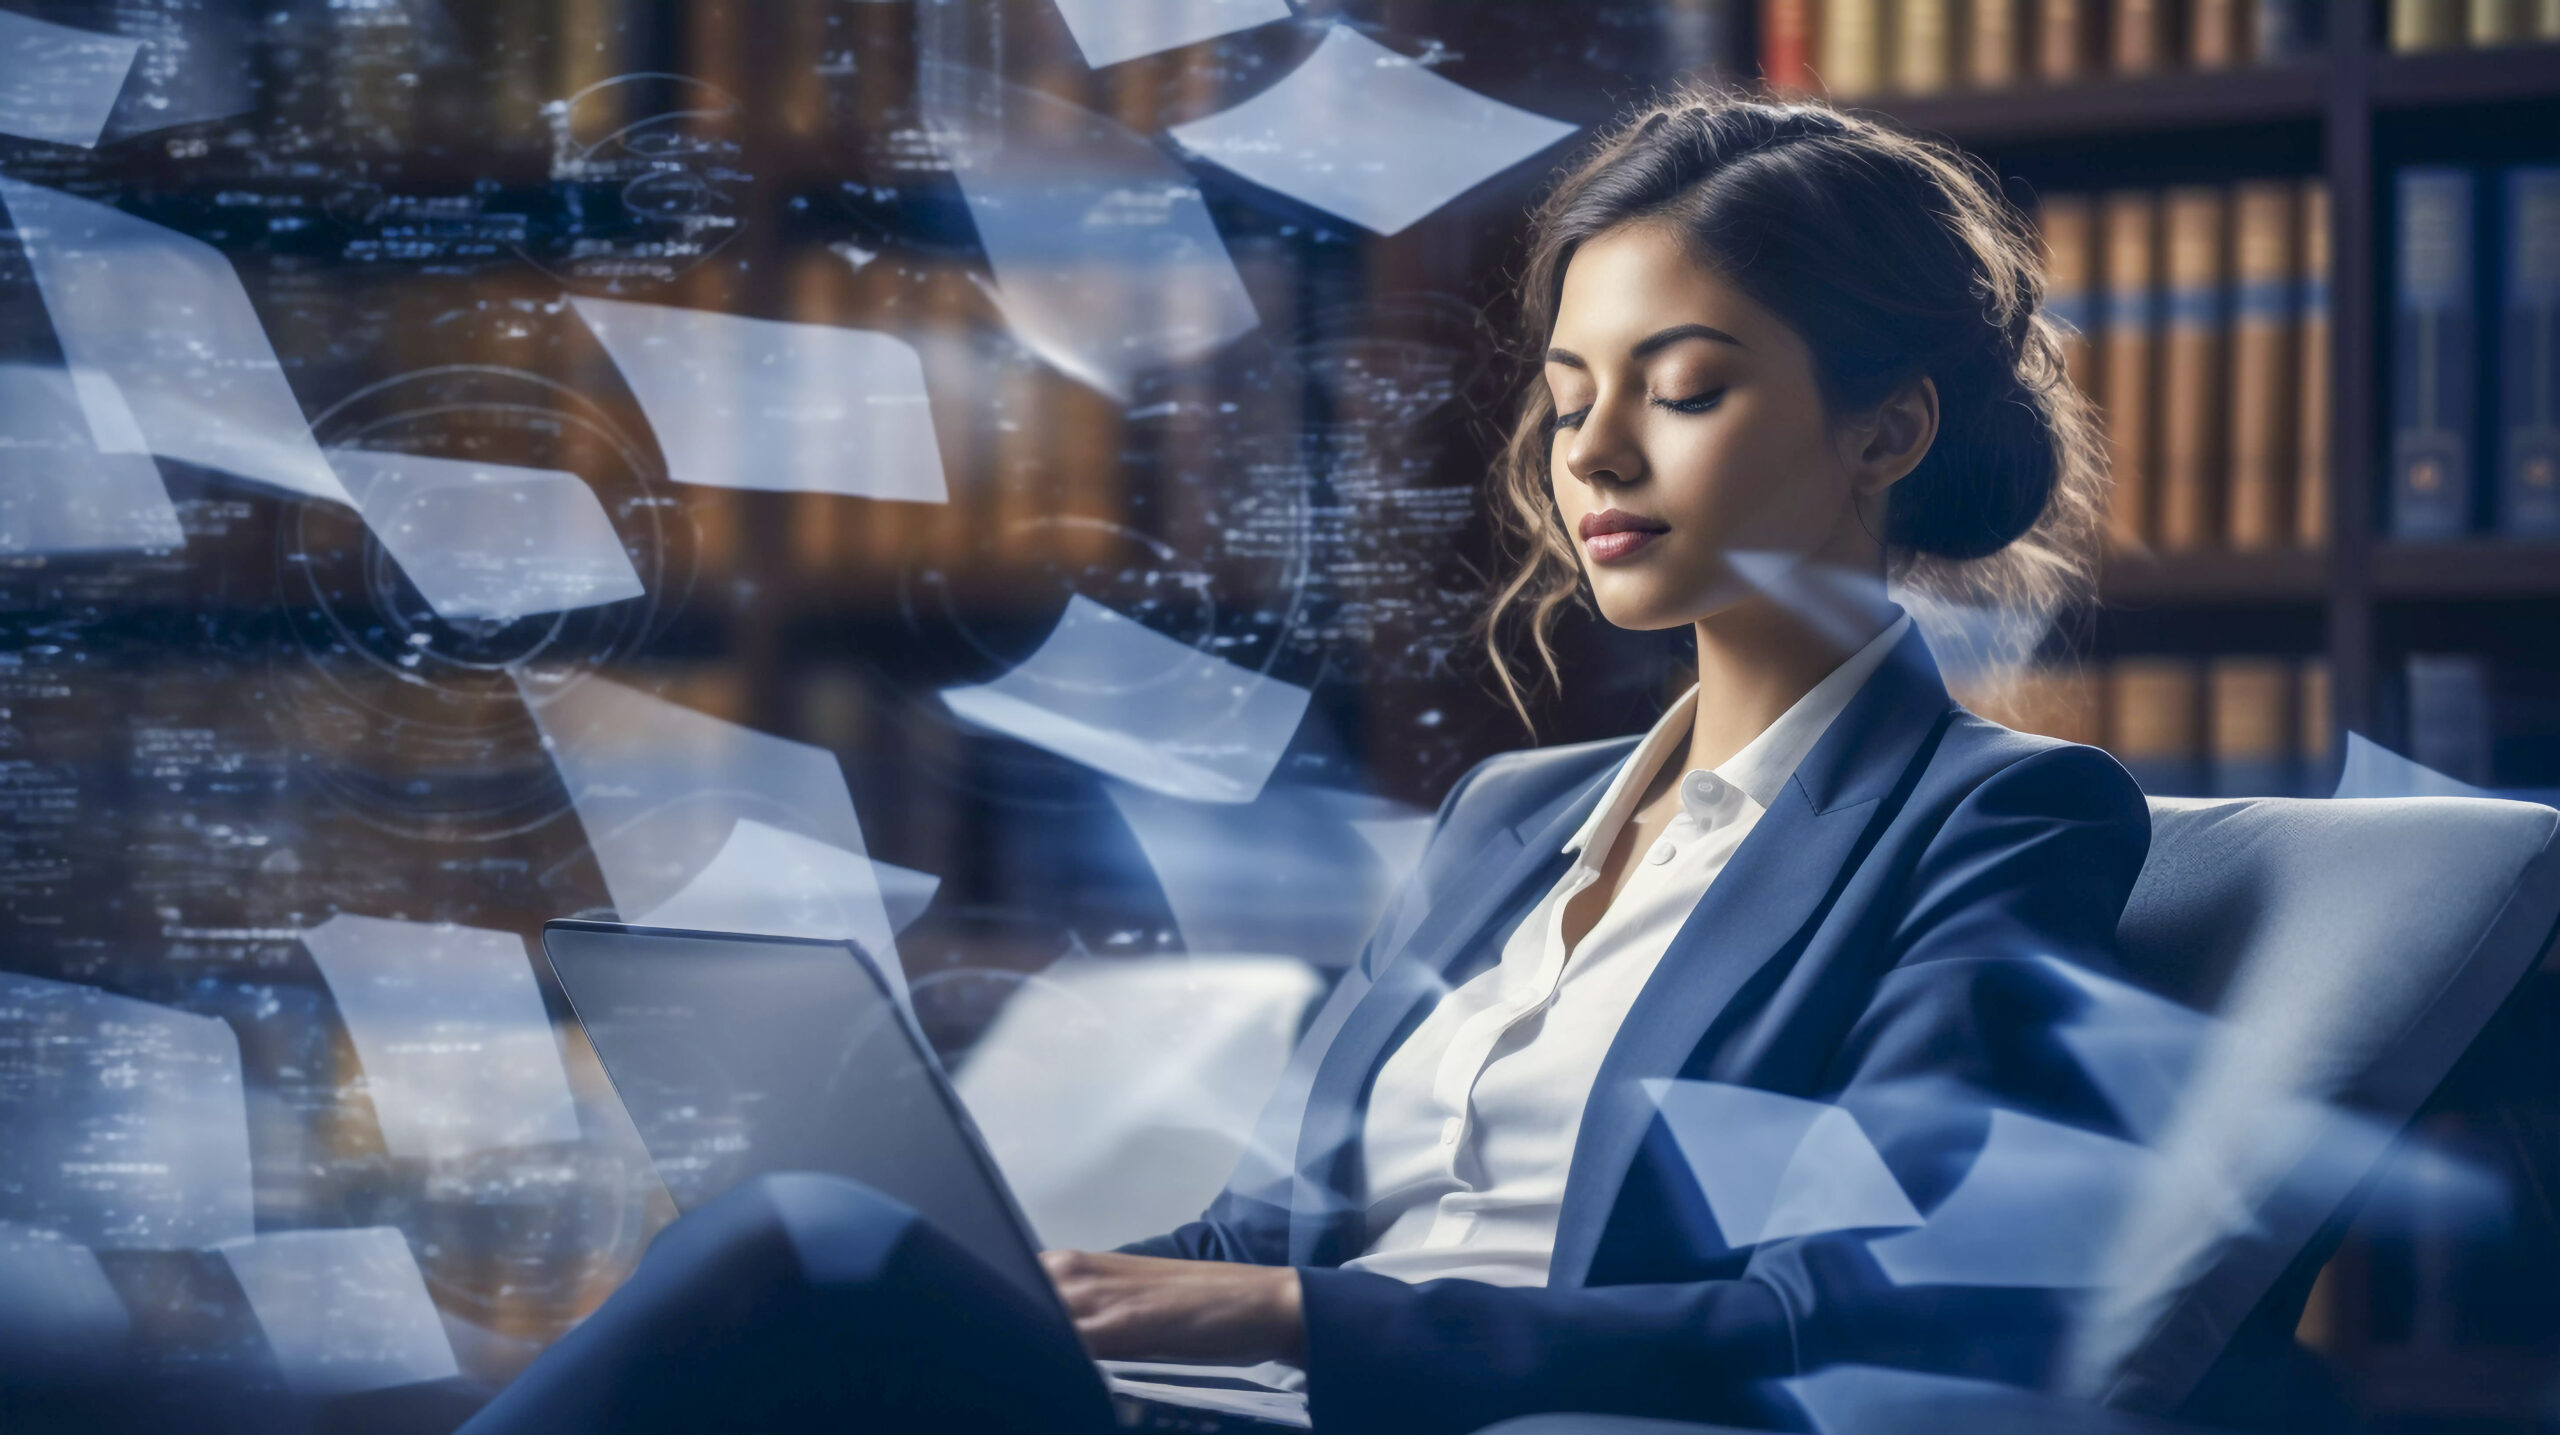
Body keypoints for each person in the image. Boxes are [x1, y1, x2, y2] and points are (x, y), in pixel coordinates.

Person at [459, 89, 2142, 1435]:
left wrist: (1284, 1320)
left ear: (1888, 428)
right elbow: (1265, 1235)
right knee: (802, 1250)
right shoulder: (1514, 816)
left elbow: (1863, 1307)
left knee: (792, 1255)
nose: (1597, 454)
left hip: (1414, 1410)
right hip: (1225, 1400)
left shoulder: (1998, 821)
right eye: (1566, 401)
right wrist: (1062, 1282)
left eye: (1684, 389)